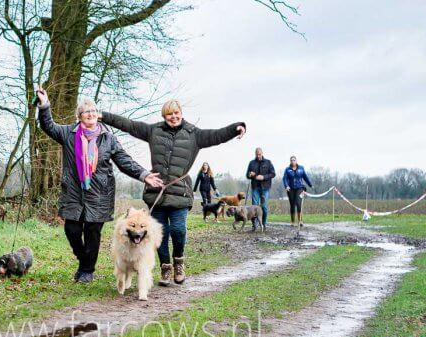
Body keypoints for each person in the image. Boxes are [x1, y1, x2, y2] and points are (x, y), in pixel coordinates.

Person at [102, 100, 245, 285]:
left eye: (176, 113)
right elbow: (129, 125)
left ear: (181, 113)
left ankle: (178, 261)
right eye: (169, 114)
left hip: (180, 193)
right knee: (159, 234)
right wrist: (103, 116)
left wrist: (236, 128)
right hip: (157, 192)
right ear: (164, 116)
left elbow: (217, 135)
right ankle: (165, 268)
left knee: (178, 230)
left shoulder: (194, 134)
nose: (173, 117)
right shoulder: (154, 131)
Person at [36, 88, 163, 283]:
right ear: (79, 117)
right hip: (73, 191)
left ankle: (87, 271)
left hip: (100, 193)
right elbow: (48, 126)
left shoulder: (108, 138)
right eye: (86, 111)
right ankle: (83, 258)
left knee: (93, 233)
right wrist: (44, 105)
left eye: (94, 111)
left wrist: (144, 175)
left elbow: (124, 160)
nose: (91, 114)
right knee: (72, 230)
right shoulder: (68, 134)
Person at [246, 147, 275, 229]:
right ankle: (254, 224)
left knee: (264, 206)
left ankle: (264, 223)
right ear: (255, 154)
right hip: (255, 187)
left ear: (262, 153)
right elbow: (247, 175)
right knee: (254, 207)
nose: (258, 156)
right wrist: (249, 174)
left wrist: (263, 177)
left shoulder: (268, 162)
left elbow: (273, 174)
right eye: (257, 154)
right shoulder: (251, 163)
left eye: (259, 154)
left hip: (265, 187)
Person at [282, 155, 313, 227]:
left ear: (296, 161)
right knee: (292, 205)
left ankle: (300, 221)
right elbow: (285, 179)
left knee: (299, 204)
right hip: (291, 189)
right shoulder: (287, 169)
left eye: (294, 160)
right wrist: (286, 186)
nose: (293, 161)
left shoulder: (301, 168)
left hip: (300, 188)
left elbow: (305, 177)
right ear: (290, 161)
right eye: (291, 160)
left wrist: (310, 185)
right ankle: (292, 221)